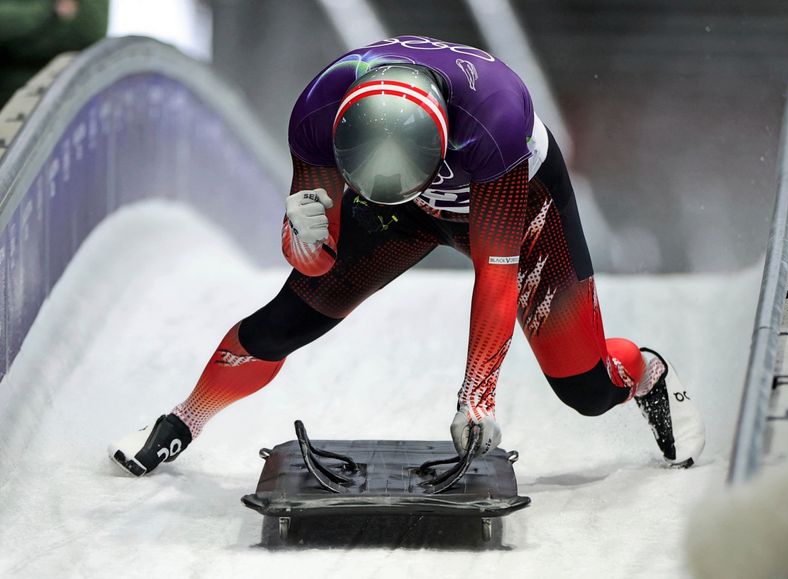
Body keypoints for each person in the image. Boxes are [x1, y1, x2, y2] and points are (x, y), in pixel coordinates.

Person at [109, 35, 705, 477]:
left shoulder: (496, 114)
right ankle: (184, 418)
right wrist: (299, 237)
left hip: (509, 200)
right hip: (398, 214)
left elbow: (495, 277)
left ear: (442, 142)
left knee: (586, 392)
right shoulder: (318, 111)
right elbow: (310, 263)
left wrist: (477, 393)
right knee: (282, 322)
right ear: (346, 139)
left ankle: (645, 372)